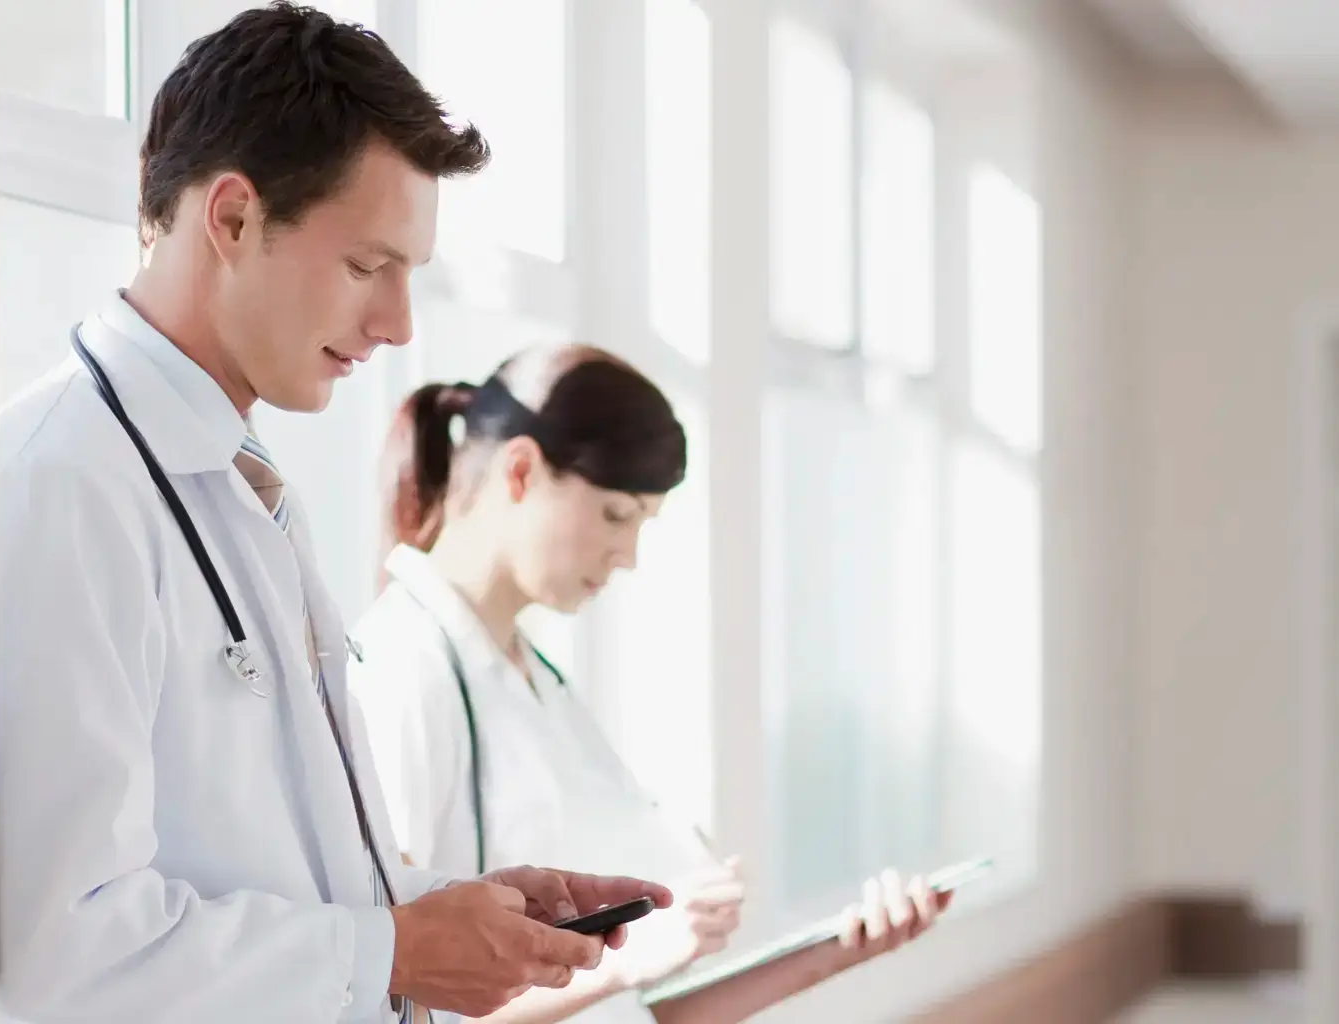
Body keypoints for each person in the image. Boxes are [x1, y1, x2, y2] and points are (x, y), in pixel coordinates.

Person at [0, 7, 680, 1022]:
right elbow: (70, 949)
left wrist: (452, 914)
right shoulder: (66, 482)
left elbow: (281, 878)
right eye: (367, 267)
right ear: (233, 218)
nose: (397, 324)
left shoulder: (243, 483)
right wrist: (397, 947)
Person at [351, 345, 950, 1024]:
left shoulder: (535, 681)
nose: (628, 555)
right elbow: (399, 999)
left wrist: (841, 949)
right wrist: (628, 961)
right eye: (616, 515)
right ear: (520, 471)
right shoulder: (402, 670)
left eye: (642, 524)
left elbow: (642, 1007)